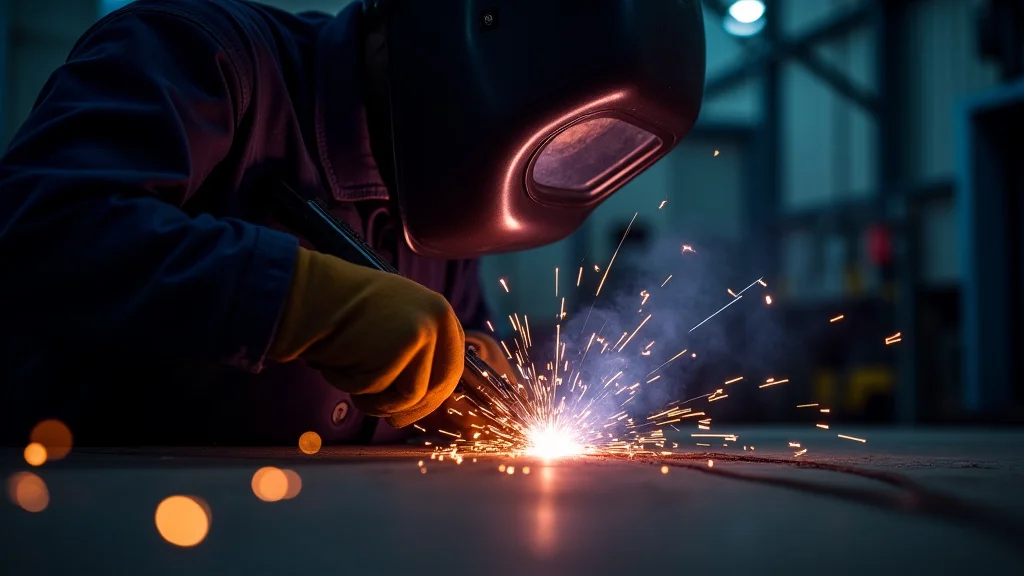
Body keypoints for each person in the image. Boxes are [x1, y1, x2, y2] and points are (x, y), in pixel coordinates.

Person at [0, 0, 705, 446]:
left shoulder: (444, 204)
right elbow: (39, 229)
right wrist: (295, 301)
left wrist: (469, 392)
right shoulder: (198, 56)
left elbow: (454, 343)